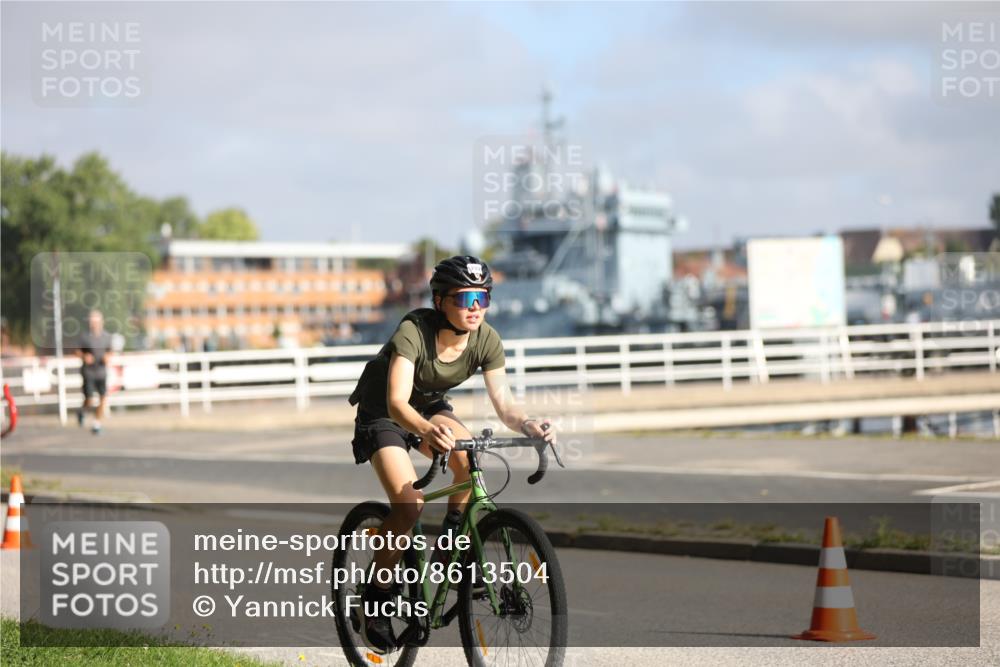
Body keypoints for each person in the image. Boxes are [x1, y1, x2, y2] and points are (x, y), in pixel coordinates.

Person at [347, 255, 557, 654]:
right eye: (465, 298)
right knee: (409, 505)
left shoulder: (486, 339)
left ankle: (451, 548)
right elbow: (396, 402)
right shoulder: (414, 330)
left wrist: (529, 424)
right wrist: (426, 431)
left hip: (429, 407)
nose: (475, 307)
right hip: (384, 413)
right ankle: (374, 596)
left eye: (483, 297)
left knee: (469, 458)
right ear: (440, 300)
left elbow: (505, 405)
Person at [76, 310, 113, 434]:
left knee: (103, 398)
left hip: (101, 371)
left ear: (101, 322)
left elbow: (110, 351)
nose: (94, 324)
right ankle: (82, 411)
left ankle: (97, 424)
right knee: (90, 399)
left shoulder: (107, 336)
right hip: (89, 372)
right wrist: (84, 356)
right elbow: (76, 351)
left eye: (96, 321)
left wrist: (107, 357)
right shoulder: (84, 337)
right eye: (92, 322)